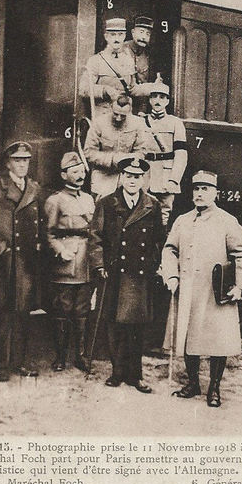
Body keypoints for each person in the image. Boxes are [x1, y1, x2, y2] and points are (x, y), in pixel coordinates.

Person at [161, 171, 242, 407]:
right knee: (188, 338)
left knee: (216, 341)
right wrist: (171, 274)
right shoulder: (182, 220)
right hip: (188, 290)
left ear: (215, 193)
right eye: (197, 189)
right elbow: (169, 249)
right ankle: (193, 383)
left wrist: (240, 286)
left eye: (206, 189)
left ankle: (214, 388)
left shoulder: (226, 221)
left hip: (215, 292)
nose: (200, 194)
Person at [89, 156, 164, 392]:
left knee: (137, 326)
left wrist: (154, 265)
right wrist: (99, 265)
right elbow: (95, 237)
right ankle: (117, 372)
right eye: (129, 176)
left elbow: (159, 241)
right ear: (122, 177)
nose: (133, 181)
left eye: (137, 177)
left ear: (143, 179)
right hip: (114, 273)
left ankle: (136, 375)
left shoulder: (152, 205)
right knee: (114, 324)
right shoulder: (107, 203)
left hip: (140, 274)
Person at [0, 141, 44, 381]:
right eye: (17, 160)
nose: (22, 164)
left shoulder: (34, 188)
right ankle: (1, 364)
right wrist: (2, 250)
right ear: (8, 163)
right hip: (4, 260)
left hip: (26, 261)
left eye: (26, 160)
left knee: (23, 312)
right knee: (4, 314)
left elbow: (40, 224)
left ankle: (19, 362)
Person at [44, 152, 95, 372]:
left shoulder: (88, 199)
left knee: (82, 310)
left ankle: (81, 356)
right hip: (66, 262)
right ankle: (60, 357)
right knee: (63, 310)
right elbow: (47, 233)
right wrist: (60, 251)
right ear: (64, 175)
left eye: (82, 171)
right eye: (75, 172)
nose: (80, 175)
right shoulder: (54, 201)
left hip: (87, 262)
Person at [83, 93, 148, 199]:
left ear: (130, 111)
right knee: (102, 208)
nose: (118, 118)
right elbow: (89, 152)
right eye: (115, 114)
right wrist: (112, 159)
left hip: (128, 176)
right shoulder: (99, 123)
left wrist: (127, 160)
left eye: (123, 116)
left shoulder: (138, 124)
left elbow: (142, 151)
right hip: (103, 175)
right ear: (111, 107)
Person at [144, 79, 188, 228]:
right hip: (145, 174)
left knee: (164, 215)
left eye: (162, 97)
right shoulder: (141, 121)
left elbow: (181, 154)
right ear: (150, 99)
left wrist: (174, 180)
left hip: (166, 175)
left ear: (167, 101)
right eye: (154, 96)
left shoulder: (175, 123)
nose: (158, 101)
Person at [79, 18, 136, 119]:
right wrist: (105, 90)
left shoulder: (129, 60)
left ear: (125, 36)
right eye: (112, 35)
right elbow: (83, 89)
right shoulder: (96, 60)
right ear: (106, 37)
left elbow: (132, 88)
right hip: (104, 115)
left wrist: (153, 88)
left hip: (124, 114)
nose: (117, 39)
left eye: (120, 34)